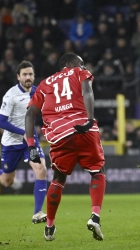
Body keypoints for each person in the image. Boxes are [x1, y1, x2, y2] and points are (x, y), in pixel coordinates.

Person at [25, 53, 106, 241]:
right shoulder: (79, 72)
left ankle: (50, 226)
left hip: (60, 134)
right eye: (81, 62)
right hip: (84, 129)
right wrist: (90, 119)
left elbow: (30, 114)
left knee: (58, 179)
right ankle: (95, 217)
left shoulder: (44, 84)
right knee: (97, 172)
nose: (83, 65)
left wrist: (31, 146)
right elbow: (87, 90)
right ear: (69, 64)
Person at [0, 61, 47, 223]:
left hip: (30, 143)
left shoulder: (37, 93)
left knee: (41, 170)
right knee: (7, 182)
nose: (28, 77)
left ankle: (37, 213)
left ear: (34, 76)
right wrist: (23, 133)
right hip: (11, 144)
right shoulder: (11, 95)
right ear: (18, 77)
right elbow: (1, 121)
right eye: (25, 74)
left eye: (30, 74)